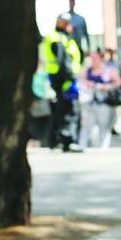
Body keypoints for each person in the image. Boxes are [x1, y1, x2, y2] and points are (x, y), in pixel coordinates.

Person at [40, 13, 83, 152]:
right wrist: (70, 79)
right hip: (64, 80)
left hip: (59, 78)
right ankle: (68, 140)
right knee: (70, 110)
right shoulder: (58, 39)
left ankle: (55, 141)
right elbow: (64, 61)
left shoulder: (60, 37)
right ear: (64, 24)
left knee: (59, 110)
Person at [78, 49, 121, 149]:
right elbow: (81, 80)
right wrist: (88, 84)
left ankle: (102, 148)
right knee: (86, 126)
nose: (92, 60)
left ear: (101, 59)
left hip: (104, 103)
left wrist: (104, 86)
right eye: (91, 58)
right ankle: (82, 146)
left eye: (95, 58)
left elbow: (118, 83)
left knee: (104, 127)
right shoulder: (87, 70)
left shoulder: (109, 70)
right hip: (89, 102)